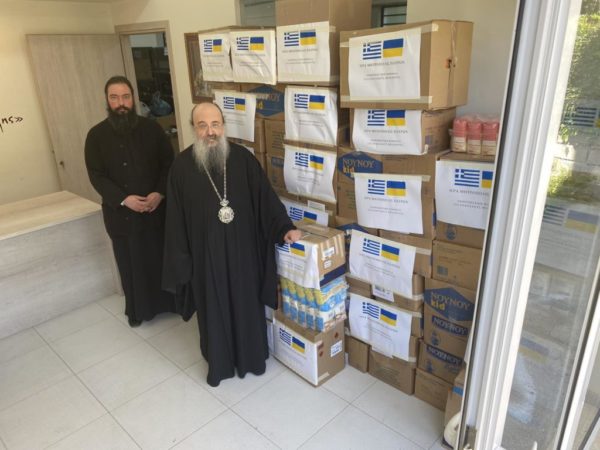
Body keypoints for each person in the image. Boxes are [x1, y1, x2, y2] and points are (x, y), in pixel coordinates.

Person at [163, 102, 301, 387]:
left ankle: (252, 359)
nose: (210, 132)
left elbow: (265, 199)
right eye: (202, 125)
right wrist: (182, 263)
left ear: (223, 126)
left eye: (215, 124)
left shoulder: (242, 160)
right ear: (193, 129)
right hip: (206, 260)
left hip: (243, 255)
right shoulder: (181, 168)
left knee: (246, 305)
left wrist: (284, 228)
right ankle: (220, 365)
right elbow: (175, 220)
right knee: (214, 313)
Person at [85, 75, 176, 327]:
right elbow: (96, 175)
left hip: (155, 210)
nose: (121, 103)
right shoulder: (96, 136)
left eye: (125, 97)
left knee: (159, 258)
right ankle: (138, 310)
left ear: (133, 98)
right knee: (131, 263)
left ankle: (170, 304)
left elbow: (168, 163)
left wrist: (159, 193)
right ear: (107, 101)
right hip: (122, 215)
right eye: (114, 98)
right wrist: (124, 200)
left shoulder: (152, 129)